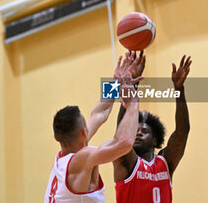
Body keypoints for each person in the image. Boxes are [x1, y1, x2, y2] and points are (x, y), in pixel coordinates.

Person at [44, 53, 142, 203]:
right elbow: (125, 143)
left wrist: (116, 82)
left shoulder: (64, 158)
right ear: (84, 132)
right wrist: (133, 104)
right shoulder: (81, 159)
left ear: (57, 138)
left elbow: (99, 113)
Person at [114, 52, 192, 203]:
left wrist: (179, 90)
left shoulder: (165, 162)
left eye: (144, 131)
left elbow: (182, 132)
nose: (138, 134)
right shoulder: (127, 162)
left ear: (155, 141)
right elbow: (121, 135)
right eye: (135, 131)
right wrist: (132, 85)